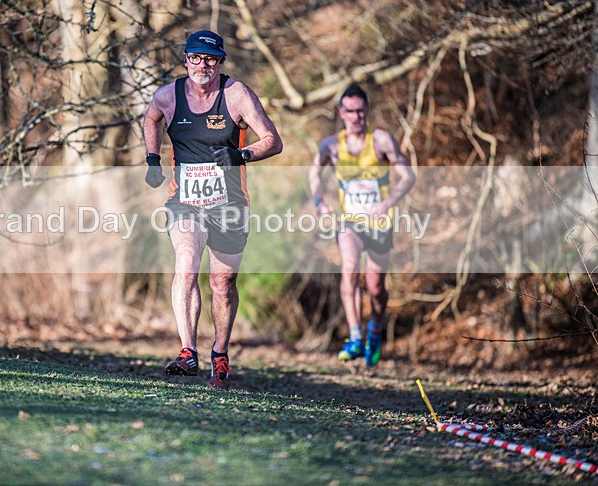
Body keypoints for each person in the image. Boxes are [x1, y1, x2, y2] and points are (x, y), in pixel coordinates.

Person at [143, 30, 283, 389]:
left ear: (220, 62)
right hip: (185, 202)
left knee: (222, 284)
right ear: (186, 58)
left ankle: (219, 354)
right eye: (195, 57)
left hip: (229, 205)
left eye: (210, 59)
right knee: (186, 264)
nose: (201, 65)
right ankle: (187, 350)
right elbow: (151, 118)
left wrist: (242, 154)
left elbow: (273, 140)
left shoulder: (236, 95)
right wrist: (152, 158)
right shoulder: (168, 95)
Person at [308, 84, 415, 367]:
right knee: (349, 269)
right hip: (349, 222)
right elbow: (314, 173)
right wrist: (320, 202)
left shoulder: (381, 141)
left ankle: (375, 329)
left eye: (360, 111)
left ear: (367, 110)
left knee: (376, 287)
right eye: (350, 111)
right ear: (341, 113)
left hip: (379, 223)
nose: (356, 117)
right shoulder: (331, 145)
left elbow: (407, 177)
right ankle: (355, 338)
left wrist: (387, 203)